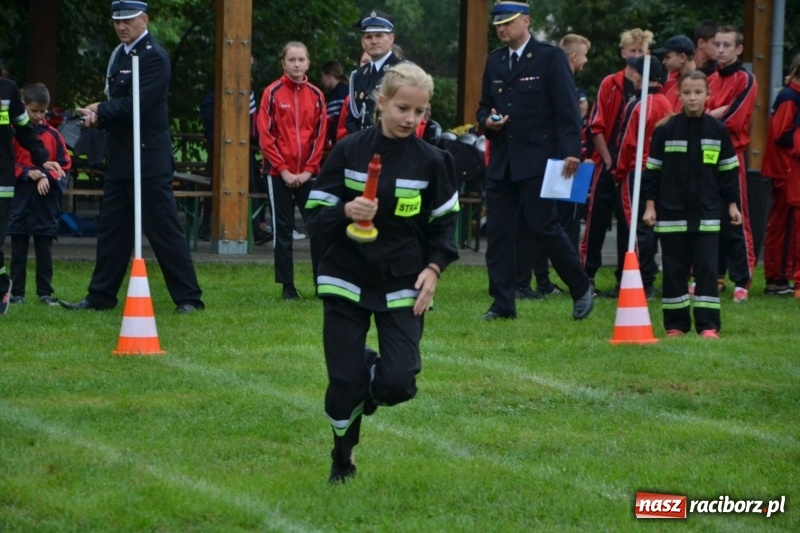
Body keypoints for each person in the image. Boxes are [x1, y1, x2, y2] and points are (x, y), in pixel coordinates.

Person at [305, 62, 459, 483]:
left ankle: (369, 374)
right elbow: (315, 215)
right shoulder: (349, 150)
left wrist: (434, 267)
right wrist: (346, 210)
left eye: (420, 112)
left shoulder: (434, 161)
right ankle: (342, 457)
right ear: (382, 103)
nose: (411, 119)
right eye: (403, 109)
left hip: (403, 282)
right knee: (342, 380)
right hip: (344, 276)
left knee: (398, 383)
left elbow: (446, 226)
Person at [61, 0, 204, 313]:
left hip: (149, 158)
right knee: (112, 230)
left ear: (144, 20)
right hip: (122, 158)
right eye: (117, 22)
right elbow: (118, 100)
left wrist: (100, 112)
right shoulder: (118, 55)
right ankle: (100, 297)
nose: (121, 27)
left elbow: (137, 104)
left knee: (164, 230)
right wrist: (100, 110)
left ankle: (189, 298)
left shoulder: (154, 57)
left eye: (128, 21)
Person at [477, 0, 593, 320]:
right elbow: (483, 107)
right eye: (498, 23)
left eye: (509, 22)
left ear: (526, 21)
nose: (502, 28)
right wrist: (488, 121)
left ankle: (580, 286)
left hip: (539, 158)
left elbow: (567, 107)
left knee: (545, 226)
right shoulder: (496, 60)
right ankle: (502, 303)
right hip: (504, 160)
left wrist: (572, 150)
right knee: (499, 234)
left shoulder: (549, 57)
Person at [642, 71, 742, 338]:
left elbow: (728, 173)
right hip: (671, 213)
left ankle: (708, 325)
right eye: (687, 93)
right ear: (679, 95)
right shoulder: (665, 130)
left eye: (698, 92)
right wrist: (650, 207)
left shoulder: (718, 130)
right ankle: (676, 324)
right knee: (674, 270)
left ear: (708, 95)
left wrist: (733, 206)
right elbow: (652, 173)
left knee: (707, 269)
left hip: (708, 214)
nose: (692, 97)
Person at [516, 32, 592, 299]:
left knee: (540, 222)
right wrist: (572, 153)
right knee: (556, 222)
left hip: (552, 160)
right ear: (573, 57)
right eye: (584, 57)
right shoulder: (563, 79)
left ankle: (540, 280)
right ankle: (570, 281)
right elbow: (567, 118)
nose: (585, 63)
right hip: (558, 163)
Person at [581, 28, 653, 297]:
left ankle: (627, 278)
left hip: (635, 167)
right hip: (607, 162)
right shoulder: (609, 83)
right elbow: (595, 126)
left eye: (640, 52)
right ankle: (586, 275)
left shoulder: (652, 85)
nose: (636, 57)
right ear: (623, 53)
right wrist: (609, 160)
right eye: (631, 51)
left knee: (630, 224)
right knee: (596, 220)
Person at [256, 41, 326, 300]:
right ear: (283, 63)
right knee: (282, 229)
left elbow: (320, 136)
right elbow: (265, 135)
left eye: (301, 59)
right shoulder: (271, 93)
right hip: (277, 174)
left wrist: (308, 171)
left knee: (317, 227)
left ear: (308, 62)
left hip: (309, 174)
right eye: (291, 60)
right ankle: (287, 286)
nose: (296, 64)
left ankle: (322, 283)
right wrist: (284, 170)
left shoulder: (317, 94)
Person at [0, 78, 64, 314]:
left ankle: (32, 291)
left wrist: (44, 166)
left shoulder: (7, 91)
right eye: (34, 109)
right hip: (16, 189)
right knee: (14, 247)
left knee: (37, 247)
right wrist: (28, 172)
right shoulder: (7, 98)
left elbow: (24, 130)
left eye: (42, 111)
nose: (39, 115)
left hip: (23, 191)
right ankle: (10, 289)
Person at [706, 26, 758, 301]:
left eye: (727, 45)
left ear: (738, 49)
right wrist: (712, 113)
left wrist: (709, 116)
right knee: (710, 216)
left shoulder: (746, 79)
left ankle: (742, 279)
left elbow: (734, 120)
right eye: (718, 44)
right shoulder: (711, 79)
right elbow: (693, 111)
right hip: (707, 156)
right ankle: (714, 275)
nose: (721, 50)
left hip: (731, 155)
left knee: (737, 216)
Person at [614, 55, 673, 300]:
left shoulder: (636, 105)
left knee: (634, 228)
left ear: (639, 75)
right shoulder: (667, 103)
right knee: (651, 227)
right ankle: (650, 279)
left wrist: (618, 173)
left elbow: (626, 143)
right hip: (662, 171)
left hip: (636, 172)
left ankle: (639, 281)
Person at [761, 53, 800, 296]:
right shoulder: (790, 96)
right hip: (786, 171)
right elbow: (781, 134)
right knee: (785, 227)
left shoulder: (790, 95)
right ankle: (779, 279)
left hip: (786, 169)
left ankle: (777, 279)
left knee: (782, 226)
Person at [343, 10, 403, 135]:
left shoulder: (403, 71)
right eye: (369, 37)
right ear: (362, 42)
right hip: (362, 147)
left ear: (391, 38)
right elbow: (352, 121)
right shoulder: (358, 76)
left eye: (379, 35)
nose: (374, 41)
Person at [654, 35, 696, 111]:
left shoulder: (705, 84)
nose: (663, 61)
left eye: (667, 57)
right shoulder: (669, 84)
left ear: (682, 57)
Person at [320, 60, 348, 148]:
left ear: (329, 76)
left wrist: (329, 138)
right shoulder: (345, 90)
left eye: (322, 76)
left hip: (340, 140)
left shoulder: (338, 95)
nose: (322, 80)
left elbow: (335, 120)